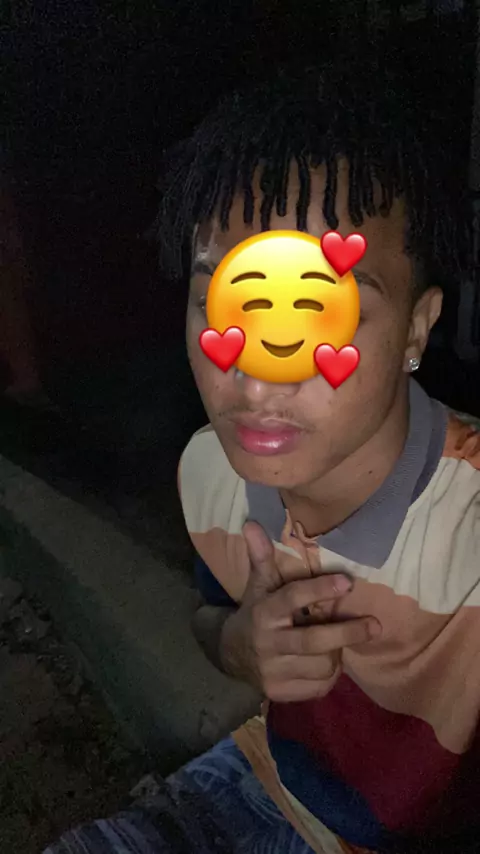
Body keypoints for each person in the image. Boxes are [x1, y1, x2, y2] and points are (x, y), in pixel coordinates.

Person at [45, 57, 479, 854]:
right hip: (259, 778)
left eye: (320, 306)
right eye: (225, 300)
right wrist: (239, 645)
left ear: (417, 328)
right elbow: (213, 617)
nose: (255, 373)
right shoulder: (212, 472)